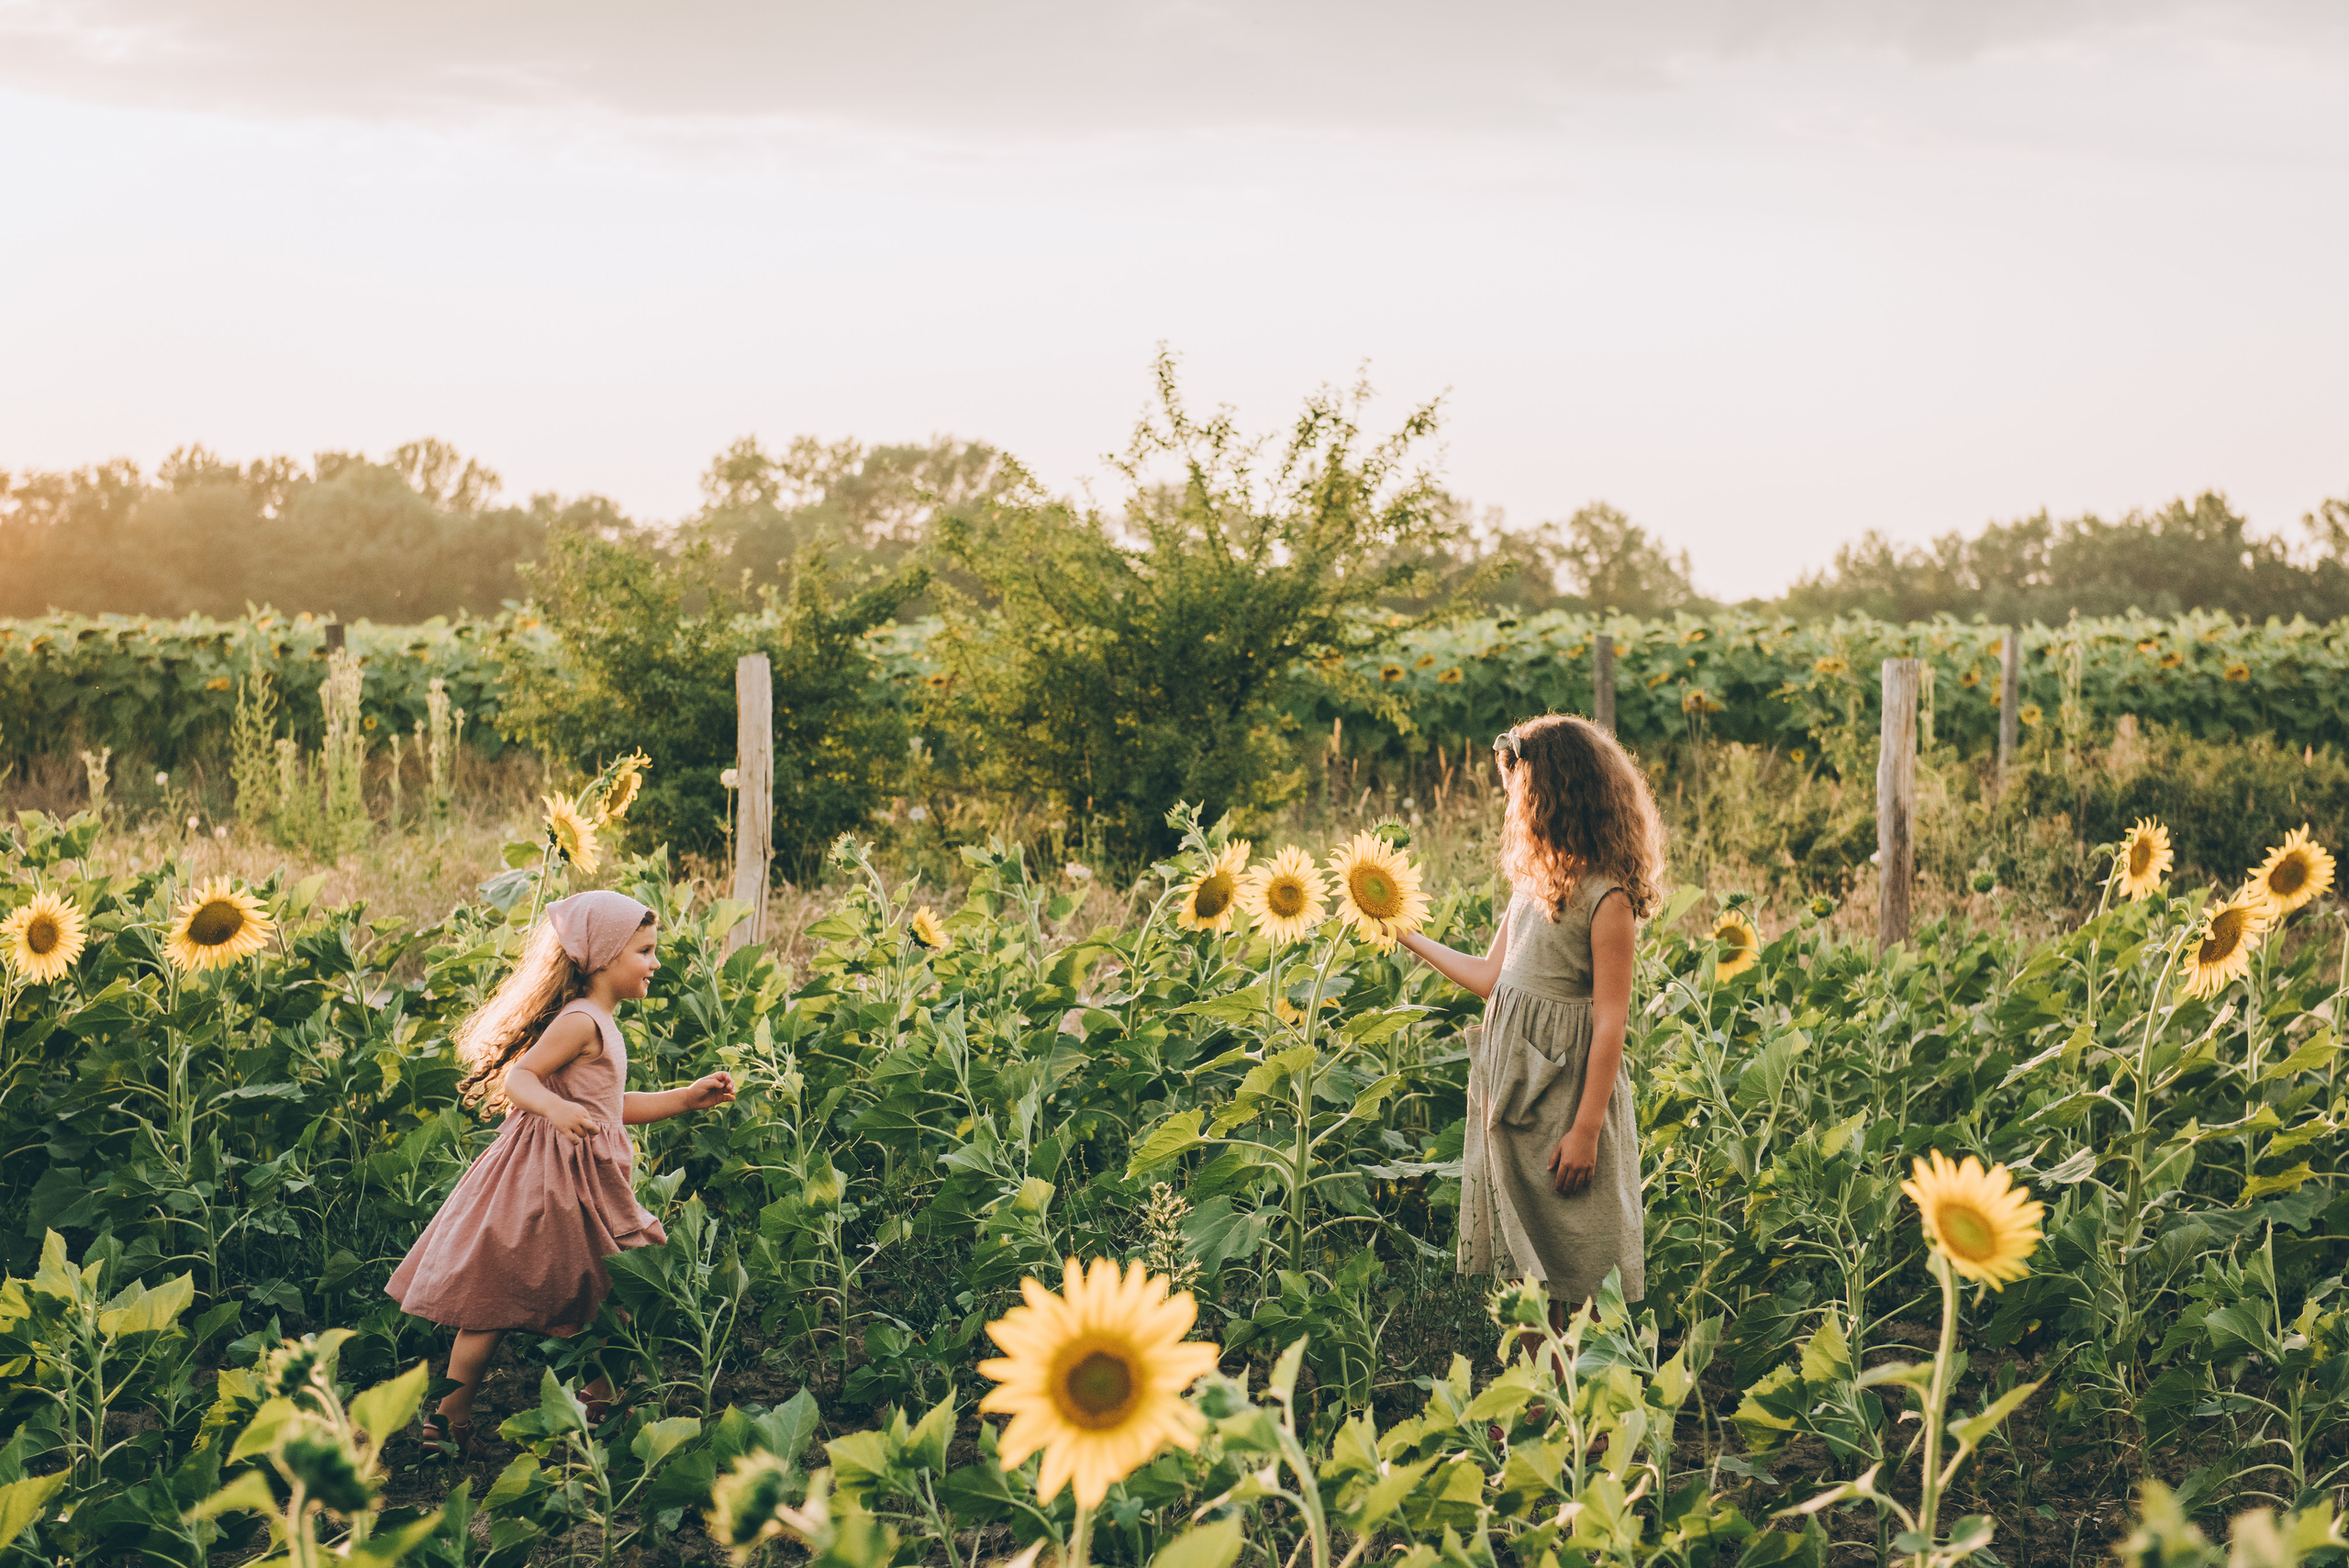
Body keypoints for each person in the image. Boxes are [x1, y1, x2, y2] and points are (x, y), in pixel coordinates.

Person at [387, 889, 737, 1453]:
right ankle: (471, 1418)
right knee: (574, 1291)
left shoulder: (599, 1020)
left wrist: (685, 1098)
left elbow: (608, 1106)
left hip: (578, 1180)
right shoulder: (581, 1021)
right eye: (645, 952)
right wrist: (554, 1108)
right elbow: (519, 1079)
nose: (655, 963)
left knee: (586, 1294)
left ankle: (572, 1412)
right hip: (550, 1180)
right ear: (602, 958)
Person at [1397, 714, 1663, 1318]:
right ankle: (1528, 1400)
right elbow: (1493, 979)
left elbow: (1611, 1023)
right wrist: (1409, 936)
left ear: (1559, 796)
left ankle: (1592, 1400)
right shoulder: (1532, 887)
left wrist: (1588, 1130)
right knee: (1526, 1271)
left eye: (1522, 793)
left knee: (1586, 1255)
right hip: (1517, 1101)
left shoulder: (1606, 899)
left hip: (1568, 1102)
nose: (1514, 808)